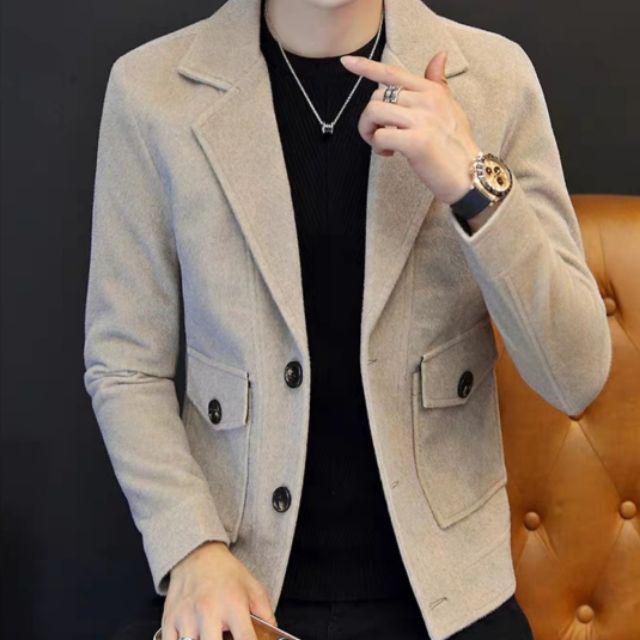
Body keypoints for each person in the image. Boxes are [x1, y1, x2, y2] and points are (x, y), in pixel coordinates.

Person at [83, 0, 611, 639]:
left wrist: (472, 180)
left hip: (450, 599)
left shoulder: (495, 79)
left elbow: (575, 375)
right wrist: (192, 547)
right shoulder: (151, 90)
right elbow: (125, 366)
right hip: (240, 587)